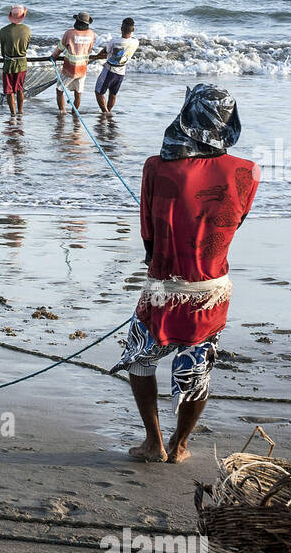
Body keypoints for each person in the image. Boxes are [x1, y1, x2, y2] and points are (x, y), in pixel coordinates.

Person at [110, 85, 260, 463]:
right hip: (212, 290)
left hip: (162, 289)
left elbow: (148, 235)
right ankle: (179, 446)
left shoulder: (156, 167)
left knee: (141, 359)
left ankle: (153, 443)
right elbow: (235, 222)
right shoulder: (247, 172)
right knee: (198, 367)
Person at [91, 17, 140, 113]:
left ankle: (105, 112)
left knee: (98, 92)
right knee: (113, 94)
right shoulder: (135, 42)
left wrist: (97, 56)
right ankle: (108, 110)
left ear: (121, 28)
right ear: (133, 29)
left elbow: (105, 51)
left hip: (109, 71)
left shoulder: (114, 41)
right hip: (121, 72)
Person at [50, 12, 96, 114]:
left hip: (70, 68)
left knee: (59, 90)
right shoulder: (91, 34)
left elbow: (61, 47)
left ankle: (62, 111)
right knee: (78, 92)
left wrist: (53, 56)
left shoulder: (69, 33)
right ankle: (75, 113)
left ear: (77, 22)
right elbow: (90, 48)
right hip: (83, 68)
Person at [0, 5, 31, 118]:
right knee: (20, 88)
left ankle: (12, 113)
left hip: (8, 63)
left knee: (9, 90)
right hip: (22, 62)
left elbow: (3, 50)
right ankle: (20, 111)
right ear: (22, 16)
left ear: (10, 16)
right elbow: (26, 46)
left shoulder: (3, 31)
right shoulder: (27, 30)